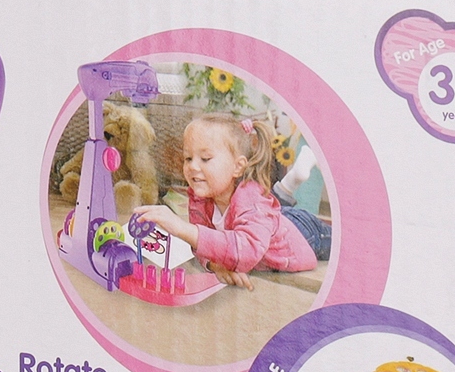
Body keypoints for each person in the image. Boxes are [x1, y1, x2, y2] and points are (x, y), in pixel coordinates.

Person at [132, 114, 318, 290]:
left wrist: (183, 228)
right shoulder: (201, 197)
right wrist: (215, 265)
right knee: (269, 207)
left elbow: (247, 250)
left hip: (305, 232)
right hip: (263, 219)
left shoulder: (252, 200)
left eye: (205, 159)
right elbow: (202, 246)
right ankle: (287, 186)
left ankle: (291, 181)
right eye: (188, 158)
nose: (192, 166)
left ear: (238, 167)